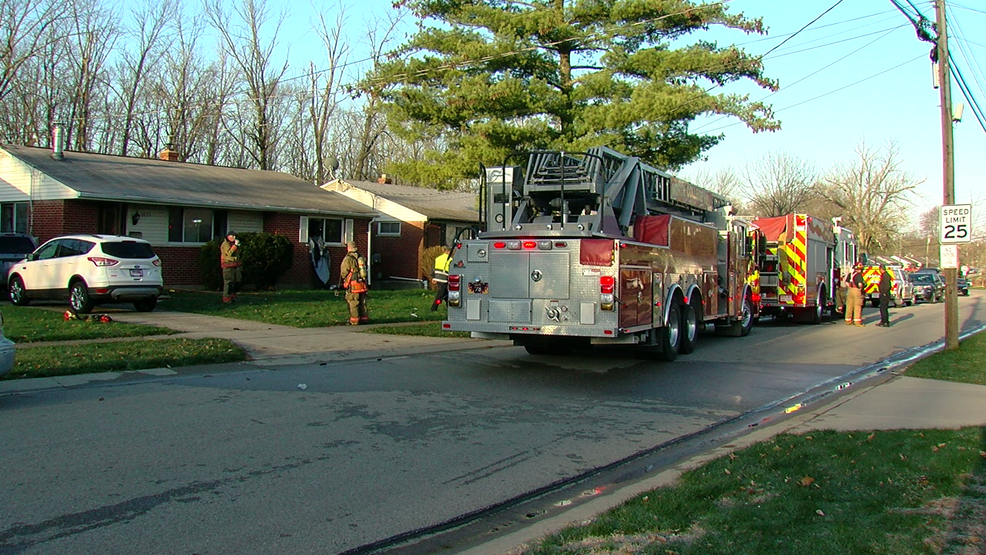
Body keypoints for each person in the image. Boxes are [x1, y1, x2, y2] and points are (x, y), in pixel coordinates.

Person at [340, 241, 369, 325]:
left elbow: (344, 272)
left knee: (353, 302)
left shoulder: (348, 259)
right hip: (362, 284)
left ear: (348, 248)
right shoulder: (361, 257)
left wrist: (344, 279)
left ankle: (354, 321)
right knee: (362, 302)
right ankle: (364, 319)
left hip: (353, 285)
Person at [220, 231, 242, 303]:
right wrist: (235, 246)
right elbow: (229, 254)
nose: (234, 238)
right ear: (228, 236)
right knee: (229, 283)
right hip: (228, 265)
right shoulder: (225, 244)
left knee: (236, 282)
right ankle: (227, 298)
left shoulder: (233, 244)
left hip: (235, 265)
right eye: (232, 236)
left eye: (235, 236)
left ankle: (233, 297)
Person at [430, 247, 452, 311]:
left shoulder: (438, 258)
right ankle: (434, 307)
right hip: (444, 278)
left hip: (437, 277)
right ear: (448, 252)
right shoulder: (450, 259)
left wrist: (433, 277)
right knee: (440, 294)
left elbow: (433, 268)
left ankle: (450, 308)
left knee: (445, 293)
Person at [845, 261, 866, 327]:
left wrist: (850, 286)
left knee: (849, 306)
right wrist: (862, 288)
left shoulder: (850, 274)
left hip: (850, 291)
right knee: (857, 306)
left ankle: (848, 320)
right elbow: (860, 284)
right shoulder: (859, 275)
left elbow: (846, 282)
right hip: (856, 290)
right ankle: (857, 322)